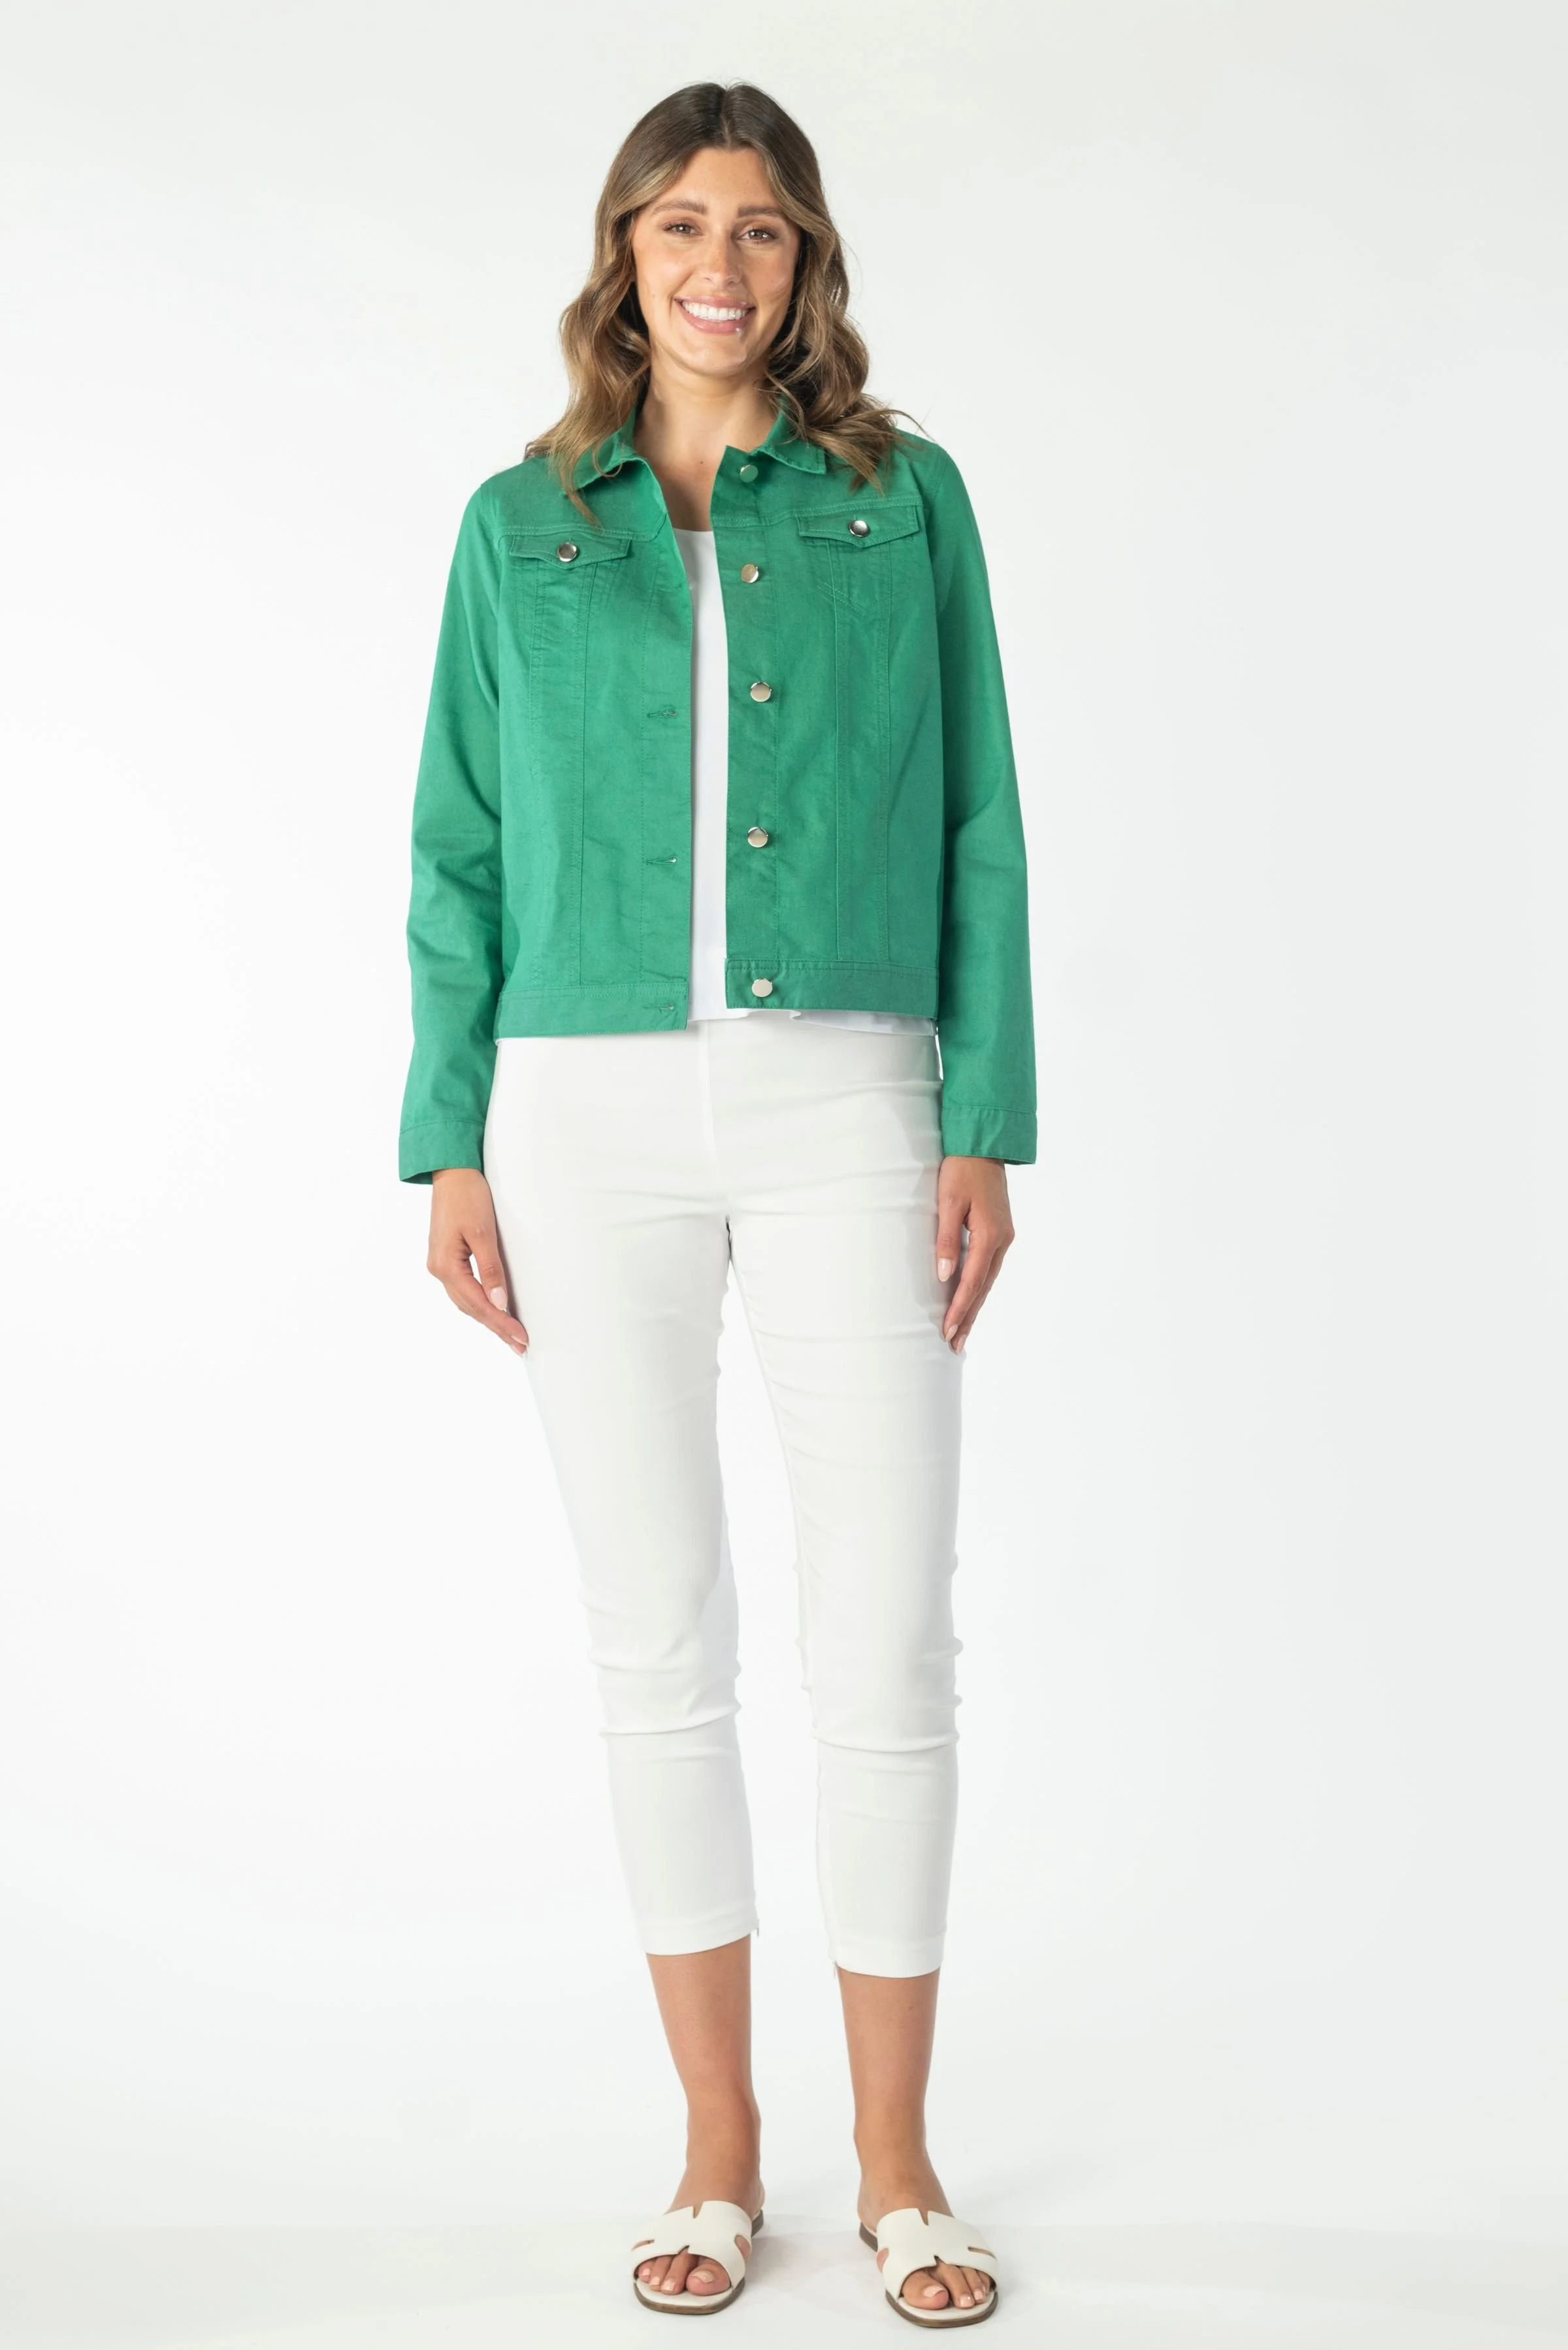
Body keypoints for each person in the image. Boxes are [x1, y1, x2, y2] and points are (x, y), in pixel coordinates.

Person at [398, 78, 1034, 2327]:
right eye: (681, 223)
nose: (720, 264)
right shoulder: (519, 524)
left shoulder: (901, 499)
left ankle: (899, 2162)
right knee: (655, 1632)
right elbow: (459, 840)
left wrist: (986, 1115)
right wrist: (448, 1136)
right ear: (625, 254)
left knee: (887, 1633)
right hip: (581, 1118)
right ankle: (716, 2148)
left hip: (851, 1092)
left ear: (806, 261)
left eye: (759, 227)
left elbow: (978, 816)